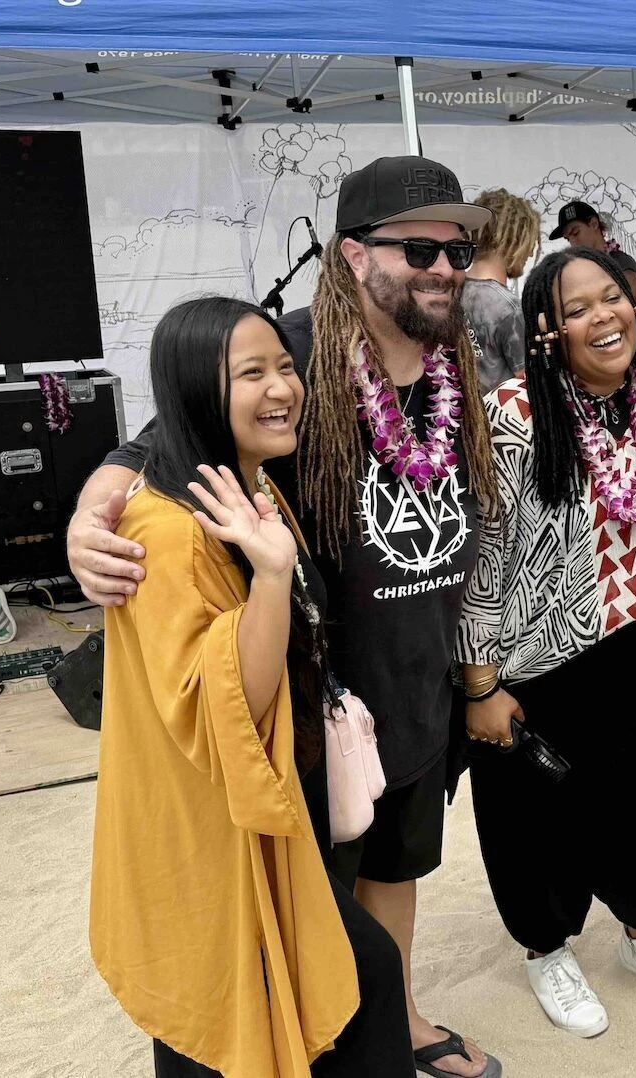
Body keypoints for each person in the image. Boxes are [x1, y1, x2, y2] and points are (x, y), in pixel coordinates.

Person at [69, 156, 503, 1078]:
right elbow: (164, 437)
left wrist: (475, 676)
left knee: (398, 867)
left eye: (458, 249)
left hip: (414, 678)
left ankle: (404, 1023)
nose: (443, 267)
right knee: (310, 915)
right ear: (354, 255)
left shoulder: (464, 356)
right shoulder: (293, 354)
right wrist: (88, 510)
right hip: (310, 700)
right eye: (418, 247)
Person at [89, 297, 415, 1078]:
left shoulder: (245, 484)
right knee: (264, 1001)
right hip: (214, 830)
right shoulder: (162, 531)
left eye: (286, 366)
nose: (283, 387)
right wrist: (271, 578)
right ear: (197, 390)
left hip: (273, 803)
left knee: (330, 980)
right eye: (252, 373)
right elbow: (224, 701)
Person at [458, 248, 636, 1039]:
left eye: (613, 298)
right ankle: (546, 950)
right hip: (531, 663)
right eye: (577, 309)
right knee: (536, 813)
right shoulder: (513, 414)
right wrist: (479, 683)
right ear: (547, 328)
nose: (603, 318)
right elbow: (483, 559)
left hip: (633, 644)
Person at [462, 189, 540, 391]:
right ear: (514, 239)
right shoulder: (509, 309)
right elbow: (527, 382)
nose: (530, 252)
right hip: (500, 420)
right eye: (530, 242)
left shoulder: (450, 293)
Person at [550, 199, 636, 302]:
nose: (572, 242)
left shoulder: (621, 260)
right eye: (568, 239)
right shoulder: (576, 269)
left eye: (576, 233)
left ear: (594, 224)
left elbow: (632, 291)